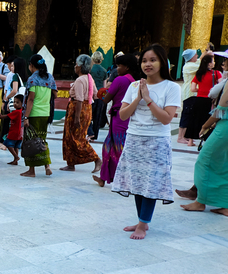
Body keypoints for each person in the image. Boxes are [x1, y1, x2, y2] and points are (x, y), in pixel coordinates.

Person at [112, 44, 181, 240]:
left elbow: (167, 118)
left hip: (156, 141)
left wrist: (148, 99)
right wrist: (139, 97)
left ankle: (143, 224)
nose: (148, 64)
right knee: (137, 180)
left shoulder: (171, 87)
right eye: (144, 60)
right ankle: (141, 219)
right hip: (134, 138)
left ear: (162, 62)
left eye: (153, 60)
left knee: (150, 182)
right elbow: (123, 115)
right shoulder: (134, 86)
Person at [180, 80, 228, 216]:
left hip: (225, 126)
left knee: (204, 161)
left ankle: (200, 201)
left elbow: (222, 106)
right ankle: (225, 205)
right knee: (224, 165)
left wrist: (206, 125)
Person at [93, 53, 138, 186]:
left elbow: (106, 98)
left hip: (118, 117)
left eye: (119, 66)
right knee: (116, 146)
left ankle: (121, 178)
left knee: (114, 147)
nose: (117, 68)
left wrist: (102, 93)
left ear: (127, 67)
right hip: (129, 117)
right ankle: (104, 177)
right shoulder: (134, 81)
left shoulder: (120, 80)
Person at [61, 54, 101, 172]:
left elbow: (78, 99)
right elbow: (95, 95)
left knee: (75, 138)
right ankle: (71, 163)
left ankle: (96, 158)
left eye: (76, 64)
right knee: (74, 136)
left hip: (77, 110)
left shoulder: (80, 80)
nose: (75, 67)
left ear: (80, 67)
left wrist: (77, 118)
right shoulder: (89, 78)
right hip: (87, 109)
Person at [21, 54, 57, 177]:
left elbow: (30, 100)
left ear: (31, 65)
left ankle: (31, 170)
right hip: (45, 113)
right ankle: (47, 166)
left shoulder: (32, 79)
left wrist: (26, 117)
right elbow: (55, 94)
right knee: (42, 140)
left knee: (31, 141)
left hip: (34, 114)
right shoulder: (50, 78)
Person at [186, 54, 221, 146]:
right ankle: (205, 138)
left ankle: (190, 140)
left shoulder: (198, 74)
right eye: (212, 61)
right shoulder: (216, 73)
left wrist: (201, 90)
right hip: (209, 100)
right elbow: (221, 86)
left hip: (198, 99)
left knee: (194, 118)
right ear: (209, 64)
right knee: (207, 119)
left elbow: (193, 88)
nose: (214, 63)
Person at [178, 48, 203, 144]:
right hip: (189, 93)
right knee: (186, 115)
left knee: (189, 115)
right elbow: (201, 65)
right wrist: (204, 55)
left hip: (192, 94)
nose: (197, 56)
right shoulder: (189, 66)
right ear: (192, 57)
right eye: (195, 55)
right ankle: (180, 137)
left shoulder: (192, 65)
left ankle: (184, 135)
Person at [0, 94, 25, 165]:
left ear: (23, 103)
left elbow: (7, 116)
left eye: (17, 102)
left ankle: (16, 157)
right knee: (16, 146)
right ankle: (15, 161)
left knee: (8, 144)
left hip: (14, 131)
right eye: (14, 102)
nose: (15, 104)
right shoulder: (22, 111)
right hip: (20, 132)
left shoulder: (16, 112)